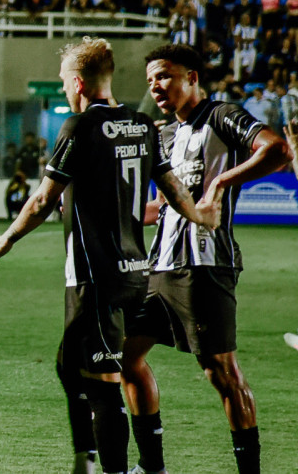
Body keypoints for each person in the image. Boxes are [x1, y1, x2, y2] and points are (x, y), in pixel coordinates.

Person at [0, 38, 220, 474]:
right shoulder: (141, 125)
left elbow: (40, 201)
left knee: (104, 384)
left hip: (95, 277)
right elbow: (172, 190)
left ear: (77, 83)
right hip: (137, 272)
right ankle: (90, 460)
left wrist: (7, 238)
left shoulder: (79, 128)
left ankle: (109, 468)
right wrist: (200, 214)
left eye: (63, 83)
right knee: (68, 363)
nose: (62, 90)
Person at [122, 44, 292, 474]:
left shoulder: (221, 116)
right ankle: (152, 466)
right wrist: (110, 215)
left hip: (204, 265)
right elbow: (162, 207)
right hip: (159, 268)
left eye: (163, 76)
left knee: (221, 372)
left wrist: (218, 184)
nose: (156, 86)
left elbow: (277, 150)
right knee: (124, 357)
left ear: (192, 77)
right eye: (150, 81)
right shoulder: (163, 135)